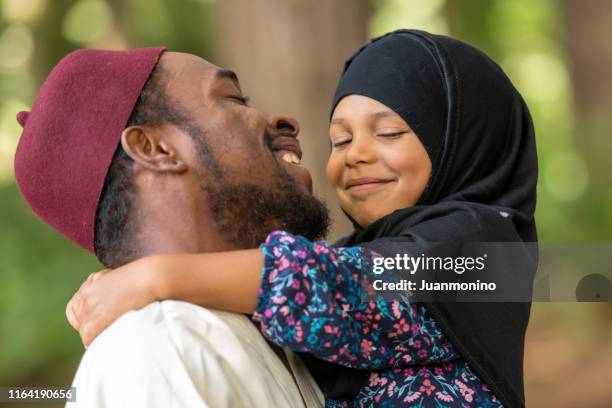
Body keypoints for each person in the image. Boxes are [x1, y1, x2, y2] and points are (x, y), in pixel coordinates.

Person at [67, 30, 538, 407]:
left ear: (467, 143)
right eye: (340, 140)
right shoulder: (156, 350)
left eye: (389, 132)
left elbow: (347, 288)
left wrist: (154, 276)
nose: (356, 156)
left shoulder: (483, 251)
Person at [14, 47, 328, 407]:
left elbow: (404, 278)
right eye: (234, 99)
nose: (284, 121)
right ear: (156, 149)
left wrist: (158, 276)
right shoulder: (159, 349)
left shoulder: (301, 323)